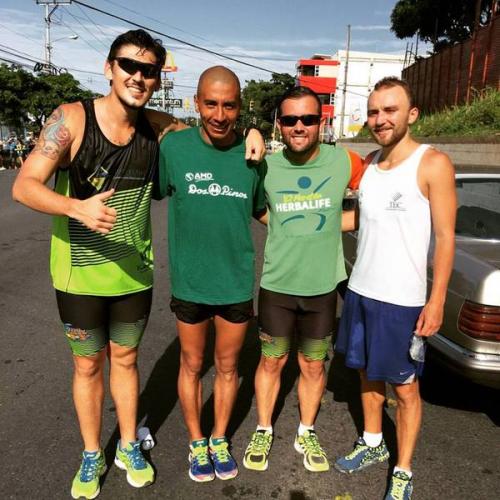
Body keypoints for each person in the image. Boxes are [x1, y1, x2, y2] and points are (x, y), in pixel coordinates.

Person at [12, 30, 264, 499]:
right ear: (109, 68)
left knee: (126, 361)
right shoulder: (71, 120)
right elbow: (24, 185)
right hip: (79, 274)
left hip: (133, 276)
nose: (138, 76)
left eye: (148, 70)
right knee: (88, 367)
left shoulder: (157, 127)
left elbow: (210, 132)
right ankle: (92, 453)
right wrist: (77, 208)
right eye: (129, 66)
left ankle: (128, 443)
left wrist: (253, 130)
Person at [334, 77, 456, 500]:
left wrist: (436, 299)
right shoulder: (369, 163)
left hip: (402, 302)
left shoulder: (432, 162)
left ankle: (402, 470)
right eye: (373, 111)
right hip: (361, 291)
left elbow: (445, 237)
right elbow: (360, 221)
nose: (380, 119)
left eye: (390, 110)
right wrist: (308, 225)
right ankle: (371, 442)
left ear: (412, 114)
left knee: (404, 388)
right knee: (366, 371)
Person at [242, 86, 363, 473]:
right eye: (290, 119)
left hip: (323, 288)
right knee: (272, 361)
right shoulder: (266, 166)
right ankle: (264, 427)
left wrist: (339, 224)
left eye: (308, 119)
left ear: (321, 122)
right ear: (279, 124)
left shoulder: (343, 160)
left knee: (312, 366)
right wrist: (250, 129)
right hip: (277, 286)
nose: (299, 126)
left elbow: (383, 186)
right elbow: (256, 208)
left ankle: (306, 430)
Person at [155, 66, 267, 483]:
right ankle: (196, 439)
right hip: (190, 282)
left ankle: (219, 437)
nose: (220, 114)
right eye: (211, 104)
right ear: (197, 103)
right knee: (191, 363)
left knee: (227, 366)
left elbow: (262, 211)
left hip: (235, 281)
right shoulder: (174, 149)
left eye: (229, 105)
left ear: (240, 107)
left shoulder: (253, 158)